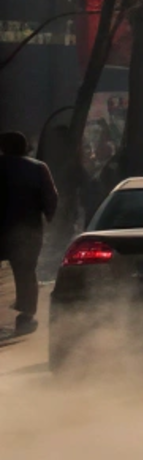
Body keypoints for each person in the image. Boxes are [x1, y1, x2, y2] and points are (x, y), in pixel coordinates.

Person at [1, 131, 62, 337]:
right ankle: (25, 317)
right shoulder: (38, 168)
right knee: (26, 273)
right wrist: (48, 219)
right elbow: (51, 197)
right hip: (28, 229)